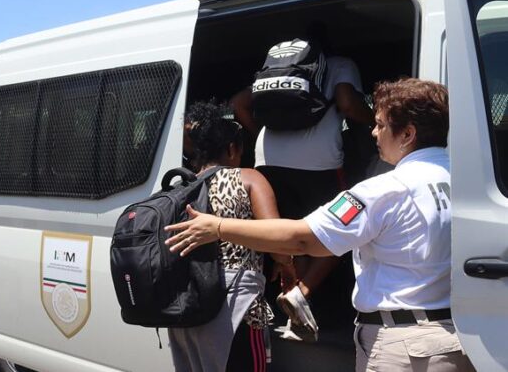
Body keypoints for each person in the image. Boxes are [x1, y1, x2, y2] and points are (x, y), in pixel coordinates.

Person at [166, 78, 475, 371]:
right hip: (457, 338)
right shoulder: (467, 181)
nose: (373, 133)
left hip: (405, 347)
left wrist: (218, 227)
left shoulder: (384, 189)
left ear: (407, 135)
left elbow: (303, 239)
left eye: (380, 125)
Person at [231, 25, 374, 340]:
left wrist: (263, 137)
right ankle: (301, 294)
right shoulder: (341, 64)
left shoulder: (273, 72)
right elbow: (348, 104)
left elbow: (238, 104)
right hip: (318, 164)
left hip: (268, 160)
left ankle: (293, 298)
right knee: (339, 232)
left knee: (288, 232)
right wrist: (377, 120)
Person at [171, 101, 294, 371]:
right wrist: (287, 268)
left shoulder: (180, 189)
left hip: (186, 307)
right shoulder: (248, 178)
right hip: (236, 311)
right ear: (231, 148)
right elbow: (279, 245)